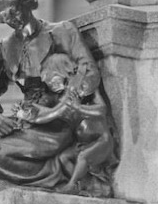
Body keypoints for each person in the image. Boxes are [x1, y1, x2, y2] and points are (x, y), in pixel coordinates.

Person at [0, 0, 114, 196]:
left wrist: (68, 99)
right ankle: (55, 172)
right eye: (4, 17)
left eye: (13, 11)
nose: (11, 20)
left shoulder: (62, 32)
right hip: (29, 121)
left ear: (26, 3)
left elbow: (89, 70)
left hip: (61, 122)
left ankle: (61, 171)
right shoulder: (4, 48)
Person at [16, 53, 116, 194]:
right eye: (49, 83)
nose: (51, 85)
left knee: (83, 157)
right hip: (81, 142)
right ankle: (85, 185)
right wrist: (29, 115)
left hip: (101, 140)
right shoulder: (66, 97)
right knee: (63, 159)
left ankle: (71, 184)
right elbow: (52, 113)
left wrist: (79, 108)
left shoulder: (86, 86)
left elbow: (102, 110)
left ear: (63, 73)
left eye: (53, 80)